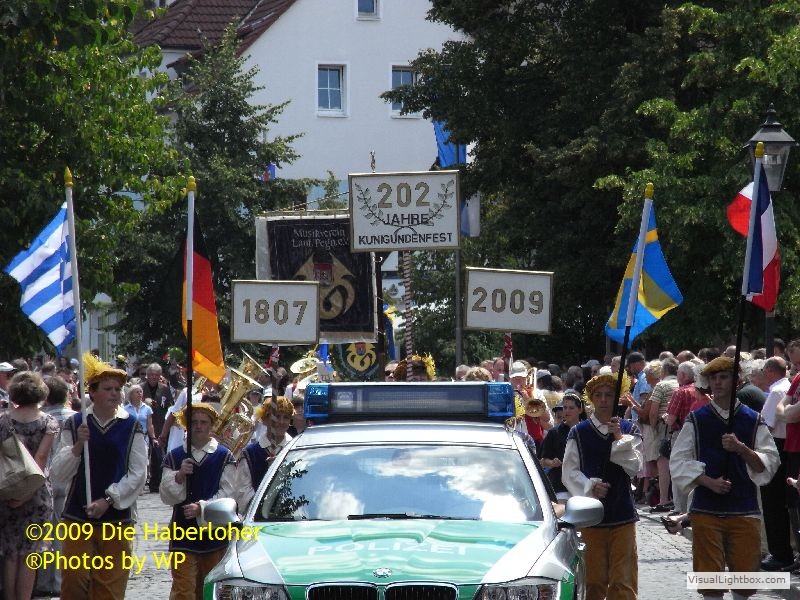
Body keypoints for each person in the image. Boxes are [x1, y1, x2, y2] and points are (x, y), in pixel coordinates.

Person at [670, 356, 779, 599]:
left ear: (736, 380)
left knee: (744, 580)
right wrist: (707, 481)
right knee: (710, 580)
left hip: (744, 507)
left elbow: (769, 462)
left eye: (723, 377)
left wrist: (742, 449)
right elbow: (678, 461)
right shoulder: (697, 419)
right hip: (706, 508)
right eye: (713, 378)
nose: (717, 382)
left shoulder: (753, 419)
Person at [50, 353, 147, 600]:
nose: (114, 393)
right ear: (92, 393)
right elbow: (58, 473)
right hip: (78, 513)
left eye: (117, 389)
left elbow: (138, 472)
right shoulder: (76, 424)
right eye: (107, 389)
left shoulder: (131, 425)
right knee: (73, 583)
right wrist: (77, 447)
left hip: (117, 517)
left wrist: (108, 500)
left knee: (110, 587)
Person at [562, 372, 643, 600]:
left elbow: (635, 467)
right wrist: (589, 487)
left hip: (622, 512)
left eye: (609, 395)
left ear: (617, 398)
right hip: (591, 517)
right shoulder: (578, 432)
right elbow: (569, 471)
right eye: (599, 395)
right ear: (592, 398)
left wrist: (619, 438)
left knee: (623, 581)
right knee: (593, 580)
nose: (604, 400)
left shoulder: (630, 429)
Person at [160, 402, 236, 600]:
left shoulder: (223, 456)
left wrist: (203, 508)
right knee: (183, 589)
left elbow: (228, 493)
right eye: (194, 422)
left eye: (203, 422)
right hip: (183, 532)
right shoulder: (175, 456)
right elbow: (166, 495)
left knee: (210, 589)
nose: (199, 426)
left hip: (215, 534)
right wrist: (179, 476)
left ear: (211, 425)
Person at [0, 371, 59, 600]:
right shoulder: (48, 422)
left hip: (7, 489)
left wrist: (14, 494)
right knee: (30, 553)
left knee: (10, 553)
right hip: (37, 494)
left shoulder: (3, 421)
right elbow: (41, 459)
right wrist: (27, 493)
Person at [36, 375, 77, 596]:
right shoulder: (76, 418)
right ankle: (62, 579)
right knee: (65, 534)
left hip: (45, 481)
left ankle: (45, 580)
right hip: (69, 480)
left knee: (44, 534)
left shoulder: (40, 419)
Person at [759, 356, 794, 570]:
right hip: (786, 447)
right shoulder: (787, 387)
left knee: (773, 503)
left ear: (771, 371)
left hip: (776, 446)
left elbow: (765, 425)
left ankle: (779, 553)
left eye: (764, 371)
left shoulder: (776, 391)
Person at [236, 396, 294, 512]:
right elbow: (242, 491)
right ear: (265, 419)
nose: (281, 422)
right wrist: (264, 508)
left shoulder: (294, 449)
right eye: (276, 416)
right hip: (258, 515)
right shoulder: (250, 453)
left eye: (286, 417)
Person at [540, 392, 585, 502]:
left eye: (571, 408)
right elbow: (543, 460)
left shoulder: (587, 431)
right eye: (565, 407)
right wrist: (552, 463)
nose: (567, 411)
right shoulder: (554, 433)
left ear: (580, 410)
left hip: (583, 485)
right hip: (561, 486)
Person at [142, 362, 173, 492]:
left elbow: (170, 406)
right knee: (144, 456)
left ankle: (156, 483)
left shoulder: (165, 389)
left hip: (160, 426)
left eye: (156, 375)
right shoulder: (140, 388)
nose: (153, 377)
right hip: (144, 427)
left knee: (158, 456)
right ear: (147, 375)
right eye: (151, 374)